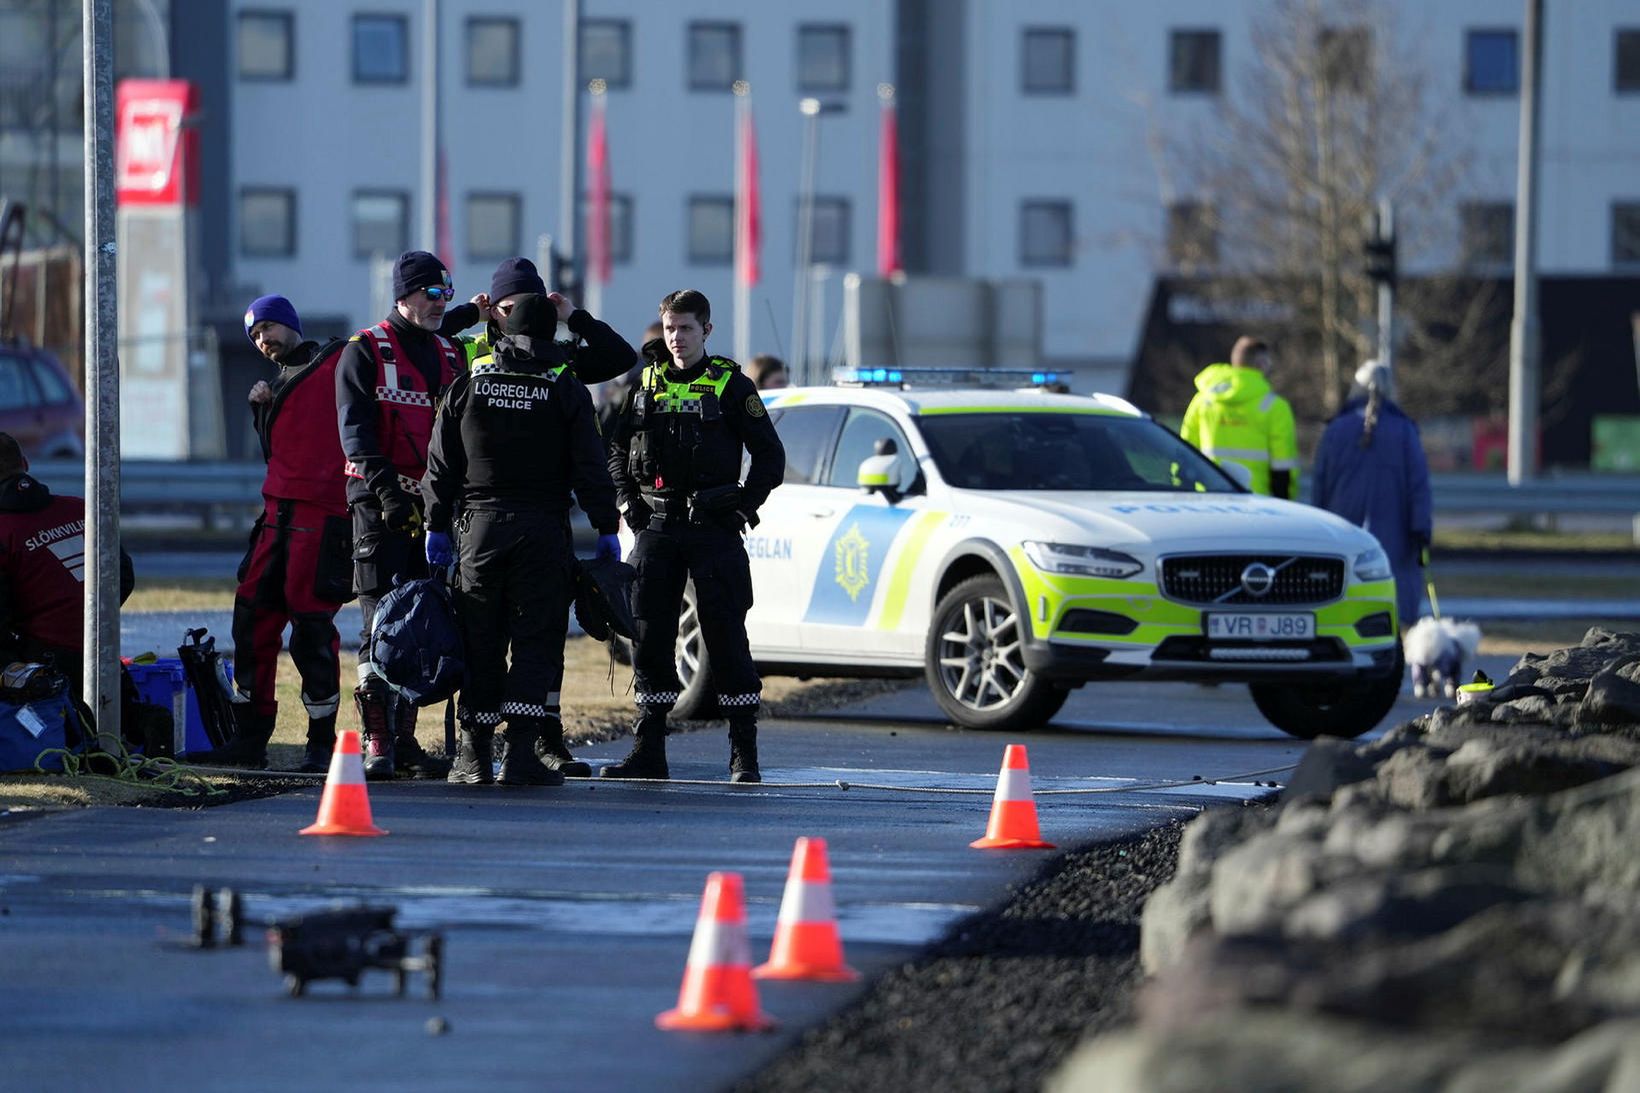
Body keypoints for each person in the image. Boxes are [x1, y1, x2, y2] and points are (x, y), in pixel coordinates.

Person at [422, 291, 627, 786]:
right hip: (541, 528)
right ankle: (519, 753)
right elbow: (590, 464)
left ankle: (472, 756)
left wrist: (434, 524)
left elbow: (440, 462)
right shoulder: (564, 384)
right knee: (536, 640)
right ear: (551, 333)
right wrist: (606, 527)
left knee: (479, 638)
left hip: (478, 528)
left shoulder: (471, 379)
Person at [602, 289, 785, 782]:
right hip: (657, 528)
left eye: (685, 328)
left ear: (707, 330)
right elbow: (616, 451)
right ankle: (648, 751)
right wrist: (630, 506)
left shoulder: (730, 385)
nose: (676, 339)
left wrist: (745, 507)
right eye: (669, 329)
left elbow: (770, 457)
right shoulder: (644, 383)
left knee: (726, 633)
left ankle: (743, 754)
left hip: (713, 529)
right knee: (649, 635)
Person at [187, 296, 352, 771]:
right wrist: (262, 409)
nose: (263, 341)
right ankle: (251, 738)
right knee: (251, 623)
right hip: (276, 517)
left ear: (289, 323)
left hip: (322, 519)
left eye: (267, 330)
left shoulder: (338, 358)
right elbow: (277, 456)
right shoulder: (275, 386)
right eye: (255, 337)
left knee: (312, 632)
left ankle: (321, 742)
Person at [336, 250, 470, 780]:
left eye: (447, 295)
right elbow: (356, 432)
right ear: (404, 294)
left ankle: (408, 740)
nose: (441, 304)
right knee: (381, 625)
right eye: (431, 294)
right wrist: (389, 493)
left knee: (424, 626)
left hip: (434, 511)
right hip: (378, 505)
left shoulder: (453, 354)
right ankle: (378, 740)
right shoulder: (364, 350)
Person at [0, 432, 134, 697]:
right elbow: (123, 577)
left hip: (44, 677)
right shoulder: (81, 509)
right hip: (105, 664)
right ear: (25, 464)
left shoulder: (4, 532)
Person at [1311, 360, 1433, 631]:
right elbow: (1419, 486)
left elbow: (1320, 484)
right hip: (1396, 535)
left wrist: (1317, 528)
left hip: (1341, 531)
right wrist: (1421, 531)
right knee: (1395, 601)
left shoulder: (1334, 430)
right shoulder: (1404, 431)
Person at [1180, 336, 1299, 499]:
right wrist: (1285, 502)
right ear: (1262, 364)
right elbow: (1283, 465)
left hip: (1207, 498)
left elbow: (1184, 452)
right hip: (1257, 501)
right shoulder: (1275, 407)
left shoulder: (1202, 401)